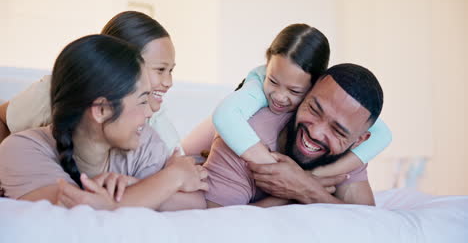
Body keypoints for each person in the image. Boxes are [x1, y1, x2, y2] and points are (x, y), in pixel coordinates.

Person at [0, 35, 208, 210]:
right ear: (101, 110)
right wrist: (173, 176)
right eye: (143, 101)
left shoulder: (144, 141)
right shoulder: (21, 149)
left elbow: (196, 202)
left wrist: (133, 188)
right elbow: (78, 207)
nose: (149, 113)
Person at [187, 24, 392, 180]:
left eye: (294, 91)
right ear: (268, 65)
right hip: (188, 156)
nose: (279, 96)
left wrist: (318, 175)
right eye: (273, 81)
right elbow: (225, 116)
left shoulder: (319, 93)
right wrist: (281, 171)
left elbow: (382, 134)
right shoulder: (257, 85)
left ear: (315, 85)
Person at [0, 11, 183, 157]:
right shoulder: (55, 92)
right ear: (121, 63)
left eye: (171, 71)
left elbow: (179, 166)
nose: (169, 82)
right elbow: (3, 117)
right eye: (160, 70)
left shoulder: (157, 118)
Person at [204, 63, 384, 207]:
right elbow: (219, 226)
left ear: (358, 141)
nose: (315, 133)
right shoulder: (245, 137)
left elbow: (365, 225)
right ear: (306, 94)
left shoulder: (347, 155)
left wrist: (306, 190)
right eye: (314, 109)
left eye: (337, 130)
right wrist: (294, 194)